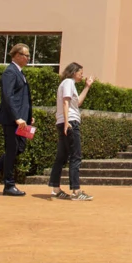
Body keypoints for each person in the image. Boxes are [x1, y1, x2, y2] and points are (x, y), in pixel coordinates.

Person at [0, 43, 34, 196]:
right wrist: (17, 118)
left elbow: (22, 98)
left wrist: (29, 116)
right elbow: (7, 97)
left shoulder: (20, 72)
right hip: (12, 120)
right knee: (11, 150)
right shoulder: (10, 72)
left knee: (19, 148)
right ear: (16, 55)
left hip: (22, 120)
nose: (28, 58)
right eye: (26, 55)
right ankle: (8, 185)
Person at [49, 62, 94, 201]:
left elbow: (77, 102)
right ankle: (76, 191)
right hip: (70, 122)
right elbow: (65, 102)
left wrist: (87, 86)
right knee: (76, 156)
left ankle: (56, 189)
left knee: (61, 157)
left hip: (63, 121)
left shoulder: (67, 83)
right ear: (74, 72)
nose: (82, 75)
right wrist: (67, 122)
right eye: (80, 72)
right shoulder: (68, 82)